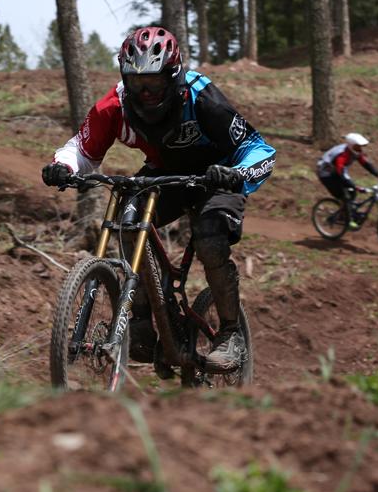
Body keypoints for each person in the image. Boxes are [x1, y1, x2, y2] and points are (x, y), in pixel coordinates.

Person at [40, 25, 275, 372]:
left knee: (210, 240)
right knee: (127, 218)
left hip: (218, 175)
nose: (146, 93)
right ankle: (144, 317)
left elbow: (258, 149)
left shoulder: (201, 97)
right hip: (167, 173)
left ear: (174, 75)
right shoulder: (115, 105)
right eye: (137, 83)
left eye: (154, 83)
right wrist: (62, 165)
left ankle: (229, 334)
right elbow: (82, 148)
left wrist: (238, 173)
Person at [315, 133, 378, 229]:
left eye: (361, 147)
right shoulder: (342, 155)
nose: (360, 149)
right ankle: (348, 220)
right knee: (344, 194)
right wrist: (355, 186)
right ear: (351, 145)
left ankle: (344, 213)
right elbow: (340, 174)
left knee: (352, 192)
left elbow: (366, 164)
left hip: (337, 171)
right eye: (358, 147)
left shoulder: (354, 151)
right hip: (326, 174)